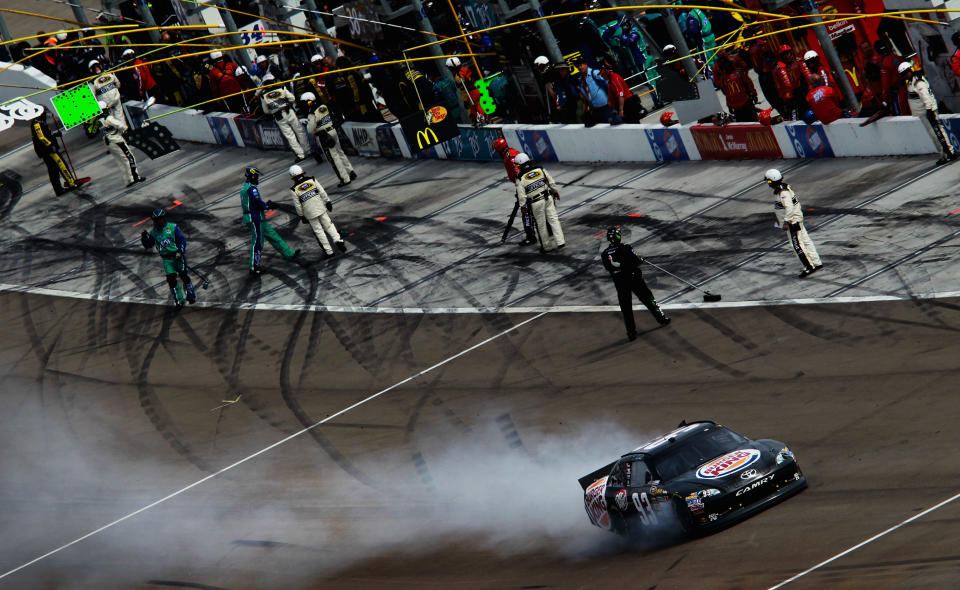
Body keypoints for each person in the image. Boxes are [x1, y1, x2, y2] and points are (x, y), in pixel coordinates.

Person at [601, 226, 670, 341]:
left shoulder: (604, 254)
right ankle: (661, 318)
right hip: (634, 279)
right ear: (618, 236)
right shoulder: (626, 248)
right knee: (648, 299)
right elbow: (637, 260)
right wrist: (640, 259)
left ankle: (631, 332)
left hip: (620, 283)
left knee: (626, 308)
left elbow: (609, 268)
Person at [240, 165, 299, 275]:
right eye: (256, 176)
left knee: (273, 236)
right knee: (257, 243)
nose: (257, 179)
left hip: (258, 217)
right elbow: (258, 203)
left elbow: (254, 203)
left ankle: (289, 254)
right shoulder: (251, 189)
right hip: (255, 218)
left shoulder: (245, 187)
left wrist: (267, 205)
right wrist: (268, 205)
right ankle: (254, 267)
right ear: (252, 176)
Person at [766, 169, 822, 278]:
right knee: (806, 241)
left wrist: (786, 221)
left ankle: (809, 266)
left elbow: (789, 207)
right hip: (796, 220)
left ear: (773, 181)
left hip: (792, 222)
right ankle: (816, 262)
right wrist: (780, 219)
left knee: (796, 245)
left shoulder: (783, 192)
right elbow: (782, 208)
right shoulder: (784, 189)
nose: (768, 184)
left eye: (768, 182)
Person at [900, 62, 957, 165]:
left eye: (906, 73)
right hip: (924, 113)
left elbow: (925, 96)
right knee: (934, 134)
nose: (905, 75)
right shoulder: (911, 81)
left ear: (911, 70)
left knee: (937, 133)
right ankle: (944, 154)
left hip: (928, 111)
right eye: (903, 74)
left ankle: (949, 153)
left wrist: (929, 110)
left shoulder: (918, 82)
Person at [140, 207, 197, 309]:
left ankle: (191, 295)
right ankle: (179, 301)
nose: (158, 221)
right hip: (167, 259)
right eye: (156, 220)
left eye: (160, 219)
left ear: (163, 218)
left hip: (178, 256)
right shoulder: (153, 233)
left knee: (184, 276)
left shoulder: (173, 227)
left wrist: (180, 251)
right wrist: (144, 238)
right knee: (171, 280)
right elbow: (148, 245)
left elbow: (182, 240)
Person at [288, 164, 346, 257]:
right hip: (320, 207)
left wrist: (301, 216)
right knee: (329, 225)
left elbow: (298, 205)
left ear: (292, 177)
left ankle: (329, 252)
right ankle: (338, 240)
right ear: (302, 172)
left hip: (309, 213)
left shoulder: (294, 189)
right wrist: (327, 201)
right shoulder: (312, 179)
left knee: (319, 231)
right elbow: (322, 191)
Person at [302, 91, 357, 186]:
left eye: (304, 102)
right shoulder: (323, 106)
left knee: (333, 158)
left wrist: (307, 123)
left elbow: (310, 129)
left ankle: (345, 179)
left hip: (324, 135)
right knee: (340, 152)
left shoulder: (311, 112)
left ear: (308, 101)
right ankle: (351, 171)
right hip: (332, 130)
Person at [514, 152, 565, 252]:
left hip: (535, 202)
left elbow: (521, 195)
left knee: (541, 225)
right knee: (554, 220)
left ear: (519, 165)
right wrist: (556, 192)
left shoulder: (520, 177)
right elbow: (551, 182)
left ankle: (547, 247)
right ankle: (561, 242)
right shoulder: (540, 169)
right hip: (548, 197)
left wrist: (523, 207)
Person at [493, 138, 537, 245]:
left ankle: (530, 237)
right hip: (528, 182)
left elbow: (518, 173)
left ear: (499, 149)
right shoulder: (511, 152)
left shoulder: (510, 156)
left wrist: (520, 189)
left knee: (526, 212)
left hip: (524, 185)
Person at [258, 74, 310, 161]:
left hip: (279, 116)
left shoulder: (263, 95)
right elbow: (292, 98)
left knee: (290, 136)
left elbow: (266, 111)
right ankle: (308, 151)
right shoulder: (282, 88)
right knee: (300, 131)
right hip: (289, 111)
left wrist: (273, 111)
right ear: (273, 80)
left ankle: (301, 155)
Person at [98, 100, 145, 187]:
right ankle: (134, 178)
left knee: (120, 161)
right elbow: (121, 125)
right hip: (116, 140)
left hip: (108, 141)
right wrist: (126, 130)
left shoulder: (99, 119)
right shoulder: (108, 118)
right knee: (129, 157)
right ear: (104, 109)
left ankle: (128, 180)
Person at [31, 109, 77, 195]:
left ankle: (58, 190)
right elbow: (41, 137)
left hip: (45, 151)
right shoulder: (37, 123)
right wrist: (50, 145)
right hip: (49, 151)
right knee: (62, 165)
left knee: (53, 171)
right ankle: (71, 183)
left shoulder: (40, 122)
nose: (45, 115)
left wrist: (55, 135)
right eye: (44, 113)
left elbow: (46, 134)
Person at [713, 52, 758, 122]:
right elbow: (727, 94)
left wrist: (753, 93)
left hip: (745, 102)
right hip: (737, 106)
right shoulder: (724, 79)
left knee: (754, 122)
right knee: (744, 125)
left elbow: (748, 82)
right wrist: (729, 105)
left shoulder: (738, 73)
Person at [577, 57, 618, 126]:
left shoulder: (594, 72)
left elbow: (609, 82)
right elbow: (585, 97)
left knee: (614, 126)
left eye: (581, 65)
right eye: (578, 66)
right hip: (595, 110)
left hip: (606, 106)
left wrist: (612, 99)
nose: (580, 67)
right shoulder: (581, 80)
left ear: (586, 64)